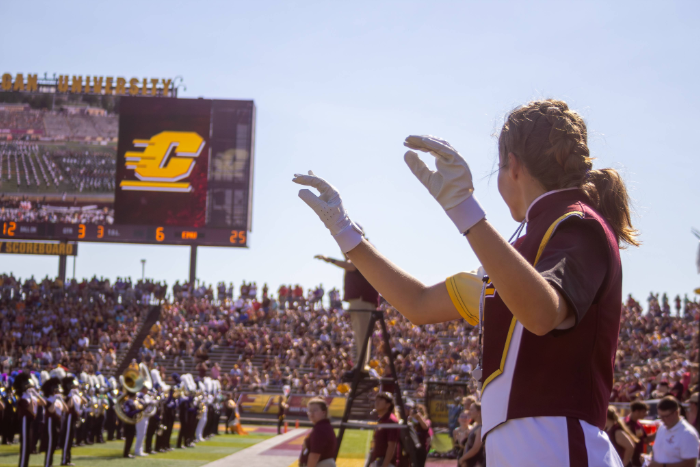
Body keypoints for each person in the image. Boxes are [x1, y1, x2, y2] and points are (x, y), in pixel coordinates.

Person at [294, 99, 638, 465]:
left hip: (556, 443)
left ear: (514, 166)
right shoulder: (518, 247)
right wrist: (347, 234)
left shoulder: (578, 223)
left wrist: (464, 209)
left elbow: (540, 313)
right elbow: (419, 303)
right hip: (530, 445)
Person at [314, 251, 378, 374]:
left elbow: (351, 266)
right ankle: (360, 365)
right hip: (358, 301)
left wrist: (329, 259)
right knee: (359, 334)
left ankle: (362, 366)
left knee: (362, 334)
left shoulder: (361, 257)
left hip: (362, 300)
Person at [648, 396, 699, 467]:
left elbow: (691, 464)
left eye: (665, 416)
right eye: (660, 417)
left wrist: (662, 466)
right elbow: (658, 450)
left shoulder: (688, 434)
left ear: (676, 413)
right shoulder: (661, 427)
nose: (662, 420)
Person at [299, 398, 337, 467]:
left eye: (315, 410)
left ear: (323, 412)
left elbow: (315, 454)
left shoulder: (321, 429)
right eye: (309, 411)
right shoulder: (323, 426)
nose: (311, 413)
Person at [369, 392, 400, 467]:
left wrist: (385, 465)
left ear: (388, 405)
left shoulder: (391, 421)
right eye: (376, 399)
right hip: (378, 461)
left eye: (380, 400)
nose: (377, 402)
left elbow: (391, 446)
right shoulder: (381, 419)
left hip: (385, 463)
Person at [625, 401, 649, 467]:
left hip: (638, 460)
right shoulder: (626, 424)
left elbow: (645, 439)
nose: (645, 414)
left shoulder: (638, 423)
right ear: (637, 411)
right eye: (643, 412)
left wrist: (658, 432)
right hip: (630, 462)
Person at [459, 403, 484, 467]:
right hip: (469, 461)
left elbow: (476, 448)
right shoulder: (475, 426)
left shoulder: (481, 428)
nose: (469, 412)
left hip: (476, 462)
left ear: (479, 412)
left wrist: (463, 459)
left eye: (472, 410)